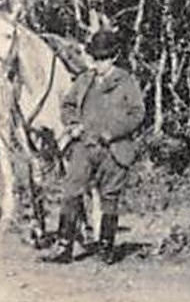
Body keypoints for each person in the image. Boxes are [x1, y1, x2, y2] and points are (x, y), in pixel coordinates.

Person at [47, 29, 145, 264]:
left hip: (114, 150)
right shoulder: (83, 80)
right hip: (84, 146)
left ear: (114, 57)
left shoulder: (126, 81)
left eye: (104, 58)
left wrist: (112, 132)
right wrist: (72, 125)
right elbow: (68, 105)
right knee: (71, 191)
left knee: (109, 197)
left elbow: (138, 113)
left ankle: (106, 248)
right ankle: (64, 247)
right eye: (95, 57)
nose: (98, 63)